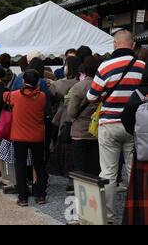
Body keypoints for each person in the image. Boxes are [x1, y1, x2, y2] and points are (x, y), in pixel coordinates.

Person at [87, 30, 146, 223]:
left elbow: (91, 97)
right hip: (136, 126)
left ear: (114, 44)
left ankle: (108, 216)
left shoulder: (105, 66)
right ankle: (133, 214)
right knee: (132, 170)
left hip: (109, 124)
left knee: (108, 173)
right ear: (133, 44)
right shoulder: (142, 66)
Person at [4, 69, 48, 207]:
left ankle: (22, 197)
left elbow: (5, 96)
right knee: (39, 165)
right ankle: (40, 195)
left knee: (20, 166)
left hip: (20, 136)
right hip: (37, 136)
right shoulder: (42, 96)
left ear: (23, 81)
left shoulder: (15, 95)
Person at [121, 65, 148, 225]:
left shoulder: (138, 94)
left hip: (144, 151)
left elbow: (126, 118)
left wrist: (139, 135)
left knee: (141, 193)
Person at [67, 56, 102, 177]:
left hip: (79, 132)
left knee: (80, 168)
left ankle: (82, 194)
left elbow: (71, 112)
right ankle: (96, 194)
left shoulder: (79, 87)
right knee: (95, 167)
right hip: (97, 131)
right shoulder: (104, 86)